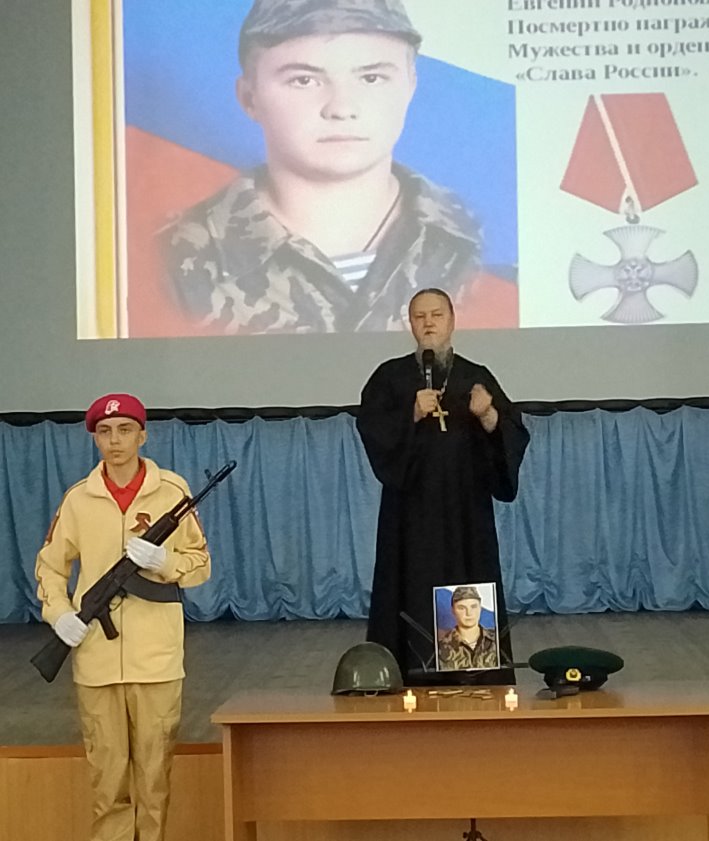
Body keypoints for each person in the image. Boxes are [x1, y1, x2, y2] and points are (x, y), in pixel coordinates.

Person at [162, 0, 481, 334]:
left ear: (410, 86)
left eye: (372, 78)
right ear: (249, 98)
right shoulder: (173, 258)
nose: (341, 108)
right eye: (304, 80)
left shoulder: (472, 243)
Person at [34, 394, 211, 841]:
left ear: (143, 435)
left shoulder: (172, 493)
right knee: (107, 779)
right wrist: (59, 614)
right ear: (95, 439)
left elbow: (200, 564)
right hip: (96, 658)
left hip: (157, 659)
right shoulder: (79, 499)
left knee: (154, 777)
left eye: (125, 430)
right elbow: (51, 566)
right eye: (105, 432)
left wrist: (164, 562)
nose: (115, 441)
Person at [356, 288, 529, 684]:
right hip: (410, 515)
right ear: (410, 325)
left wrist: (488, 416)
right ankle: (410, 676)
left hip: (466, 512)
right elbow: (372, 428)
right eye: (420, 317)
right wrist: (412, 414)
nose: (428, 323)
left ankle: (473, 675)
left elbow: (512, 432)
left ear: (452, 321)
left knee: (470, 586)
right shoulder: (389, 377)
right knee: (408, 586)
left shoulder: (476, 376)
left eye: (436, 315)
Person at [436, 585, 500, 671]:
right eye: (461, 608)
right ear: (453, 610)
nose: (469, 613)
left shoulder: (497, 638)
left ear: (480, 608)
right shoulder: (441, 647)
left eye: (473, 607)